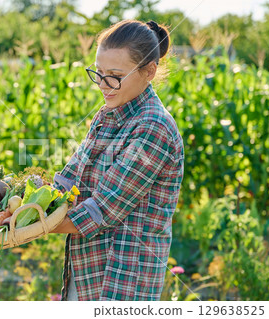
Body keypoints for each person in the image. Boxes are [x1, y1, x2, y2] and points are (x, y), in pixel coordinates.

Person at [51, 20, 184, 301]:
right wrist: (19, 205)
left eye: (114, 75)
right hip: (86, 268)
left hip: (121, 279)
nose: (103, 85)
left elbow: (102, 211)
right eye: (98, 73)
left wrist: (26, 225)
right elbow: (70, 179)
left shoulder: (152, 127)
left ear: (149, 71)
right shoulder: (108, 114)